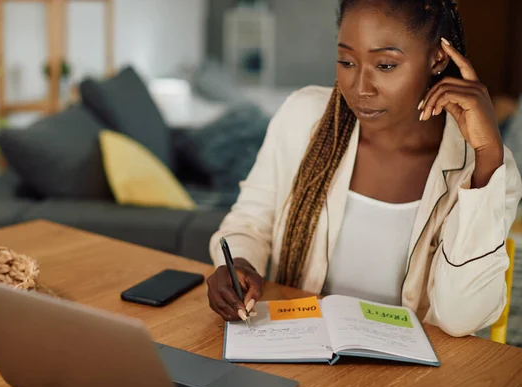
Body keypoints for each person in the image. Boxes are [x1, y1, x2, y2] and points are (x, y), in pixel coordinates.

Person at [206, 0, 522, 338]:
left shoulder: (484, 168)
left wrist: (487, 156)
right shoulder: (302, 117)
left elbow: (462, 317)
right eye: (346, 61)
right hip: (300, 351)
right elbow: (249, 222)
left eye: (385, 65)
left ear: (437, 58)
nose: (360, 88)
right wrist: (238, 264)